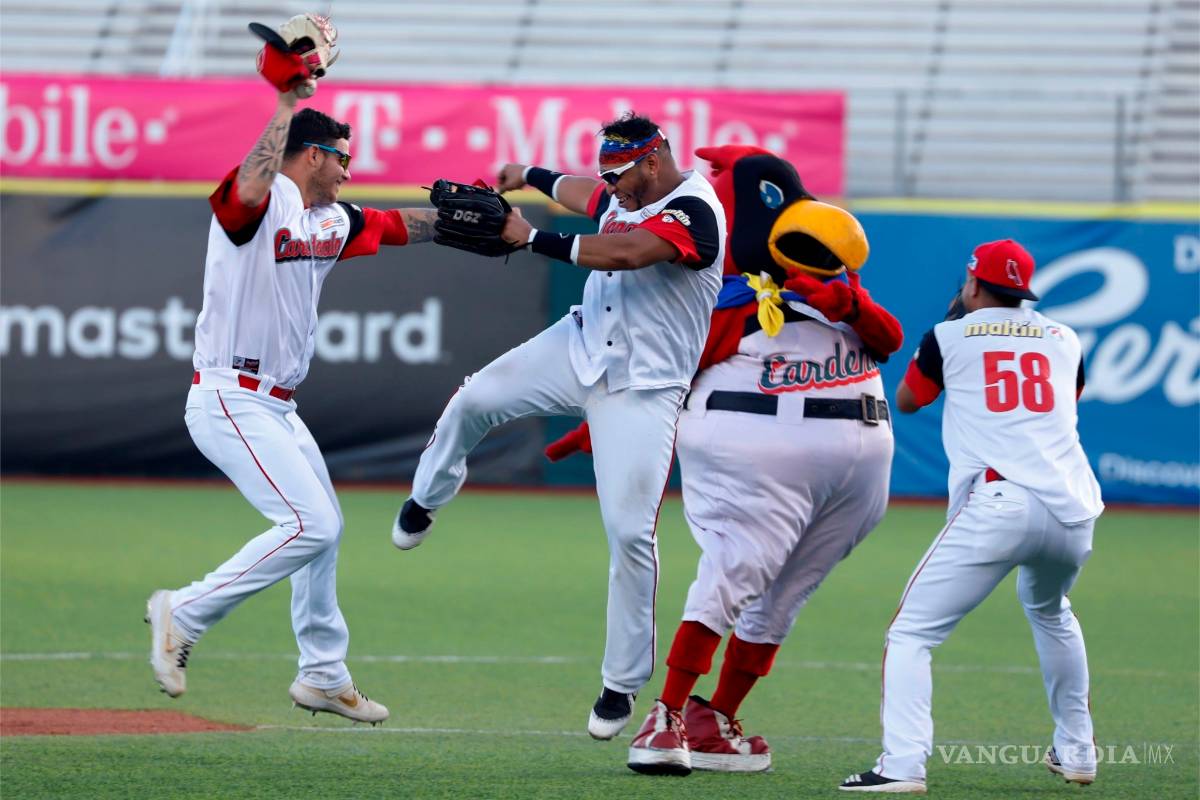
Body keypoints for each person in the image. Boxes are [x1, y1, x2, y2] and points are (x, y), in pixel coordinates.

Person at [542, 144, 904, 775]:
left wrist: (848, 302)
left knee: (783, 598)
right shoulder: (727, 291)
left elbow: (888, 339)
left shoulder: (835, 287)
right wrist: (601, 428)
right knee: (731, 575)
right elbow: (680, 366)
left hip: (860, 457)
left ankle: (715, 719)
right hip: (759, 436)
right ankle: (667, 716)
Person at [392, 113, 726, 739]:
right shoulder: (627, 189)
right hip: (579, 347)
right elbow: (586, 193)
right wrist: (529, 175)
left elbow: (628, 252)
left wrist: (530, 237)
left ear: (653, 162)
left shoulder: (695, 210)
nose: (612, 188)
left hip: (644, 388)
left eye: (620, 175)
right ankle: (424, 500)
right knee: (473, 400)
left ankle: (621, 683)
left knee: (630, 535)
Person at [145, 67, 439, 725]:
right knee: (312, 524)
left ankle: (323, 674)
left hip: (276, 404)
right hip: (228, 394)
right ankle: (184, 612)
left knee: (322, 532)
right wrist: (284, 103)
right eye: (343, 159)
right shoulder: (263, 196)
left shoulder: (330, 219)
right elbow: (245, 188)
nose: (349, 173)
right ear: (313, 155)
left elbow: (396, 224)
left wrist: (474, 220)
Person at [839, 239, 1104, 793]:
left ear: (975, 284)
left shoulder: (950, 334)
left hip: (1001, 502)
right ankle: (1078, 751)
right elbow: (1062, 402)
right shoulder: (1065, 338)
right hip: (1074, 509)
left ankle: (902, 765)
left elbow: (910, 400)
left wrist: (949, 337)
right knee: (1053, 613)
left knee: (911, 632)